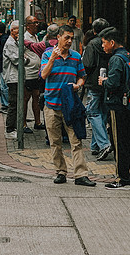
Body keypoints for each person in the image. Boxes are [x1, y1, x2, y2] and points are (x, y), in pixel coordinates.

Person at [40, 28, 96, 187]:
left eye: (71, 38)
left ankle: (81, 175)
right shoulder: (47, 54)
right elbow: (43, 75)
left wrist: (78, 85)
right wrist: (52, 58)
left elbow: (82, 76)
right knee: (55, 141)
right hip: (51, 105)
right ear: (58, 37)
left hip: (70, 105)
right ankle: (60, 172)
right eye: (67, 38)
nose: (70, 41)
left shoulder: (76, 57)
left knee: (76, 140)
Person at [99, 27, 130, 190]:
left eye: (104, 43)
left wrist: (103, 81)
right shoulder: (129, 55)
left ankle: (122, 179)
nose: (103, 46)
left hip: (118, 105)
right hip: (129, 105)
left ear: (112, 43)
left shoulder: (116, 59)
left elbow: (113, 83)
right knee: (126, 141)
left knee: (119, 142)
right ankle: (125, 176)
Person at [81, 17, 112, 160]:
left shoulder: (92, 44)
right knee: (103, 113)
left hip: (94, 83)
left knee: (92, 112)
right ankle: (95, 145)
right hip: (107, 82)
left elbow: (87, 64)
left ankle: (104, 144)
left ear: (94, 30)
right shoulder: (111, 43)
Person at [23, 15, 44, 131]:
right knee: (26, 98)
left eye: (37, 22)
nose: (37, 25)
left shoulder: (35, 36)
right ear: (28, 25)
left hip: (37, 72)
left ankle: (38, 122)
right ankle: (23, 124)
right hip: (28, 72)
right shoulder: (25, 37)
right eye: (34, 23)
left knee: (36, 96)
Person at [2, 21, 22, 134]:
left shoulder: (15, 42)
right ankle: (10, 128)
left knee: (16, 103)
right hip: (13, 77)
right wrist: (25, 60)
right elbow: (17, 59)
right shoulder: (10, 43)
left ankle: (13, 126)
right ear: (12, 30)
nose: (19, 31)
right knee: (13, 103)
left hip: (16, 76)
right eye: (17, 29)